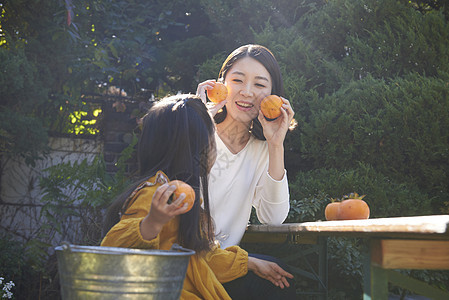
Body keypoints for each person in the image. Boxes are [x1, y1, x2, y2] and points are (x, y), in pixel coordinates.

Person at [101, 94, 296, 299]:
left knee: (276, 273)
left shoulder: (183, 196)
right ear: (195, 148)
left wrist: (249, 263)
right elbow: (111, 249)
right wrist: (152, 222)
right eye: (212, 136)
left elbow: (199, 259)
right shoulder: (156, 194)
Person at [196, 44, 295, 248]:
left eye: (259, 85)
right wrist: (196, 124)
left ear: (272, 94)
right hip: (180, 261)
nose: (247, 92)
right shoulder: (197, 131)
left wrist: (276, 145)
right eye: (237, 80)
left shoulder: (262, 150)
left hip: (225, 267)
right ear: (221, 84)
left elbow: (273, 217)